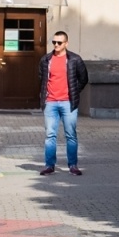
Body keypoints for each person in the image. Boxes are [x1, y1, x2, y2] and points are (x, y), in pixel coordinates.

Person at [38, 30, 89, 176]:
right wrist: (45, 96)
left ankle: (73, 165)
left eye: (59, 42)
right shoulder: (46, 60)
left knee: (71, 135)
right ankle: (49, 165)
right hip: (50, 103)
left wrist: (74, 91)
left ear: (66, 43)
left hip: (68, 103)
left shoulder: (75, 59)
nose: (56, 45)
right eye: (54, 42)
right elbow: (41, 78)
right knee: (50, 135)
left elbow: (83, 78)